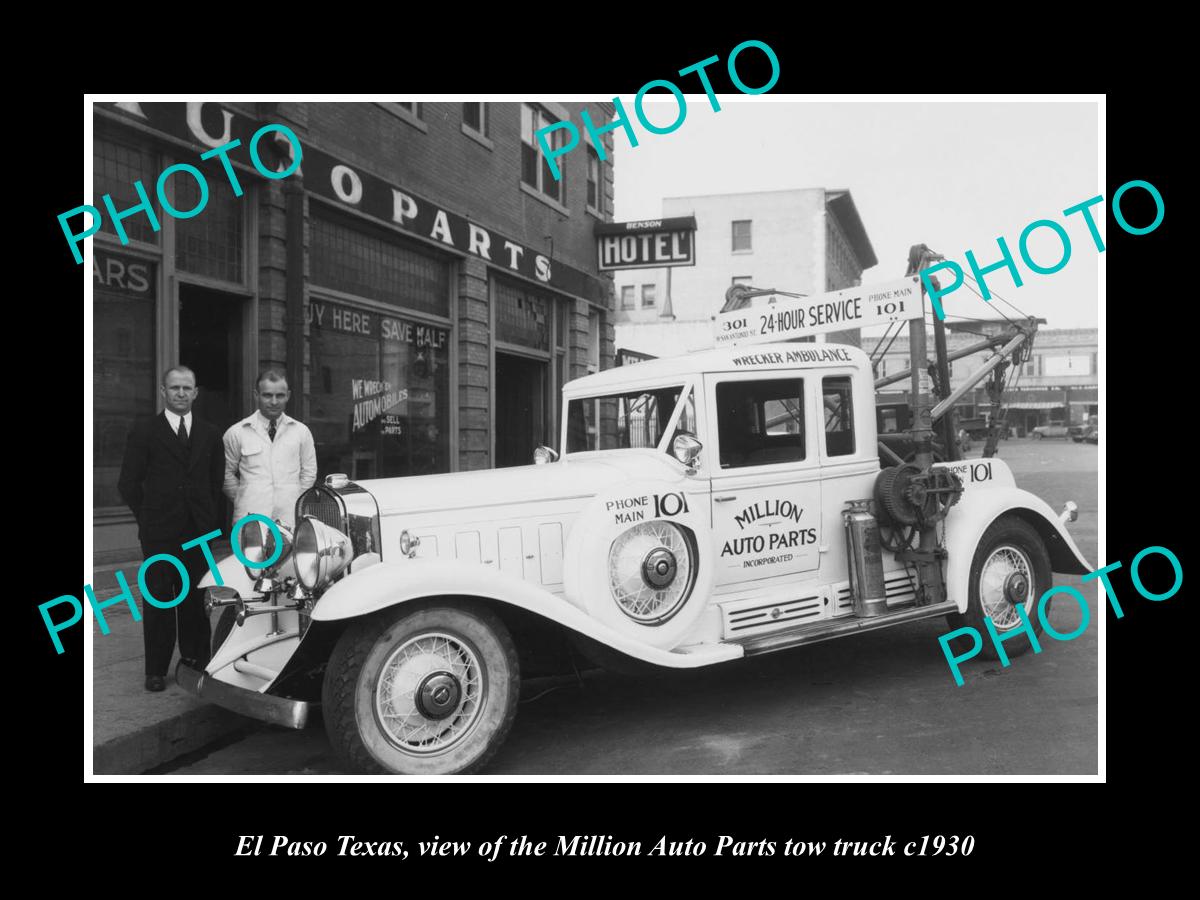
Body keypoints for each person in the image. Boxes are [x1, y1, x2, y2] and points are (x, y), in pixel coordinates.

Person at [118, 366, 224, 692]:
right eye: (174, 387)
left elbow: (214, 484)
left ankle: (195, 662)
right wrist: (148, 519)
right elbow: (128, 484)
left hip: (198, 533)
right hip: (159, 532)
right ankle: (156, 670)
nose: (180, 393)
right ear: (163, 392)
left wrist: (209, 524)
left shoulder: (209, 433)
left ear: (195, 393)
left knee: (195, 599)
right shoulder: (145, 430)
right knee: (160, 599)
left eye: (186, 388)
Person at [223, 369, 317, 530]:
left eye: (279, 395)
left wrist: (293, 497)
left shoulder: (301, 432)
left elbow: (309, 471)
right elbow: (225, 473)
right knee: (249, 555)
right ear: (256, 395)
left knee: (290, 555)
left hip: (290, 516)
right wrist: (243, 496)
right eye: (267, 395)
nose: (274, 402)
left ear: (288, 395)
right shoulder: (237, 432)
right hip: (250, 515)